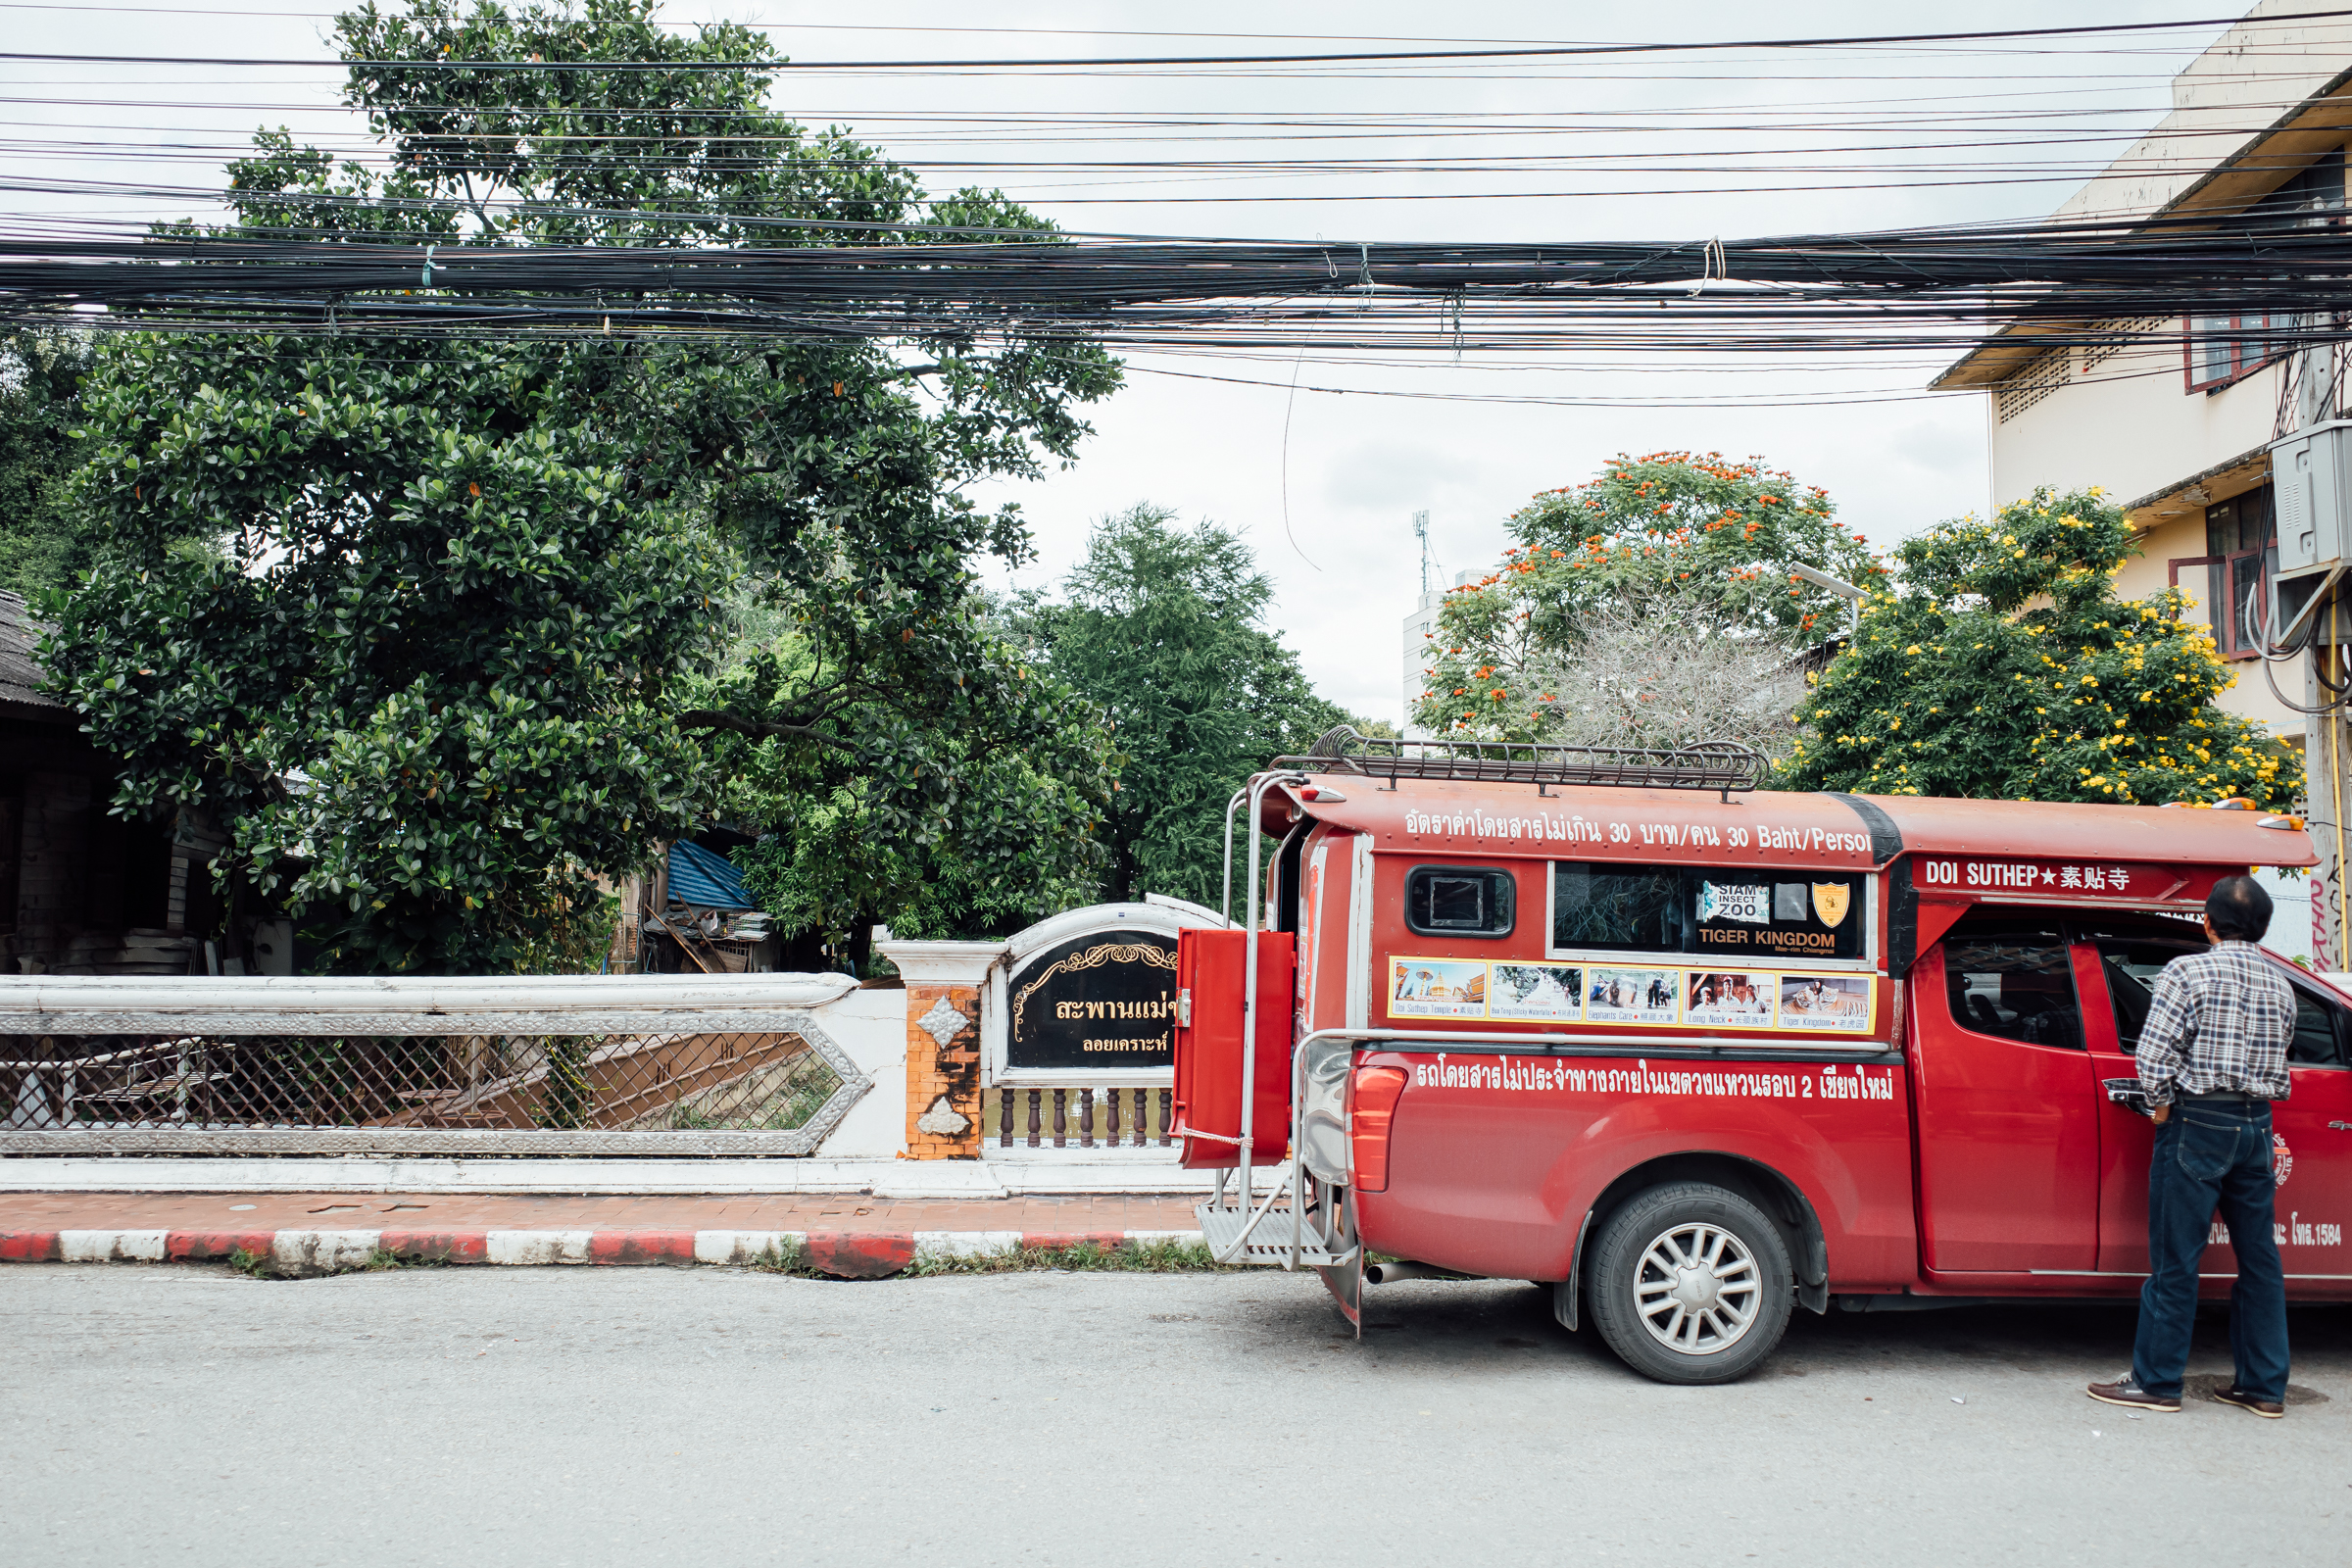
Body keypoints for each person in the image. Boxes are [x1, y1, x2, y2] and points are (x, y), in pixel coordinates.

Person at [2087, 874, 2294, 1418]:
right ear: (2264, 927)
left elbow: (2154, 1054)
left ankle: (2157, 1382)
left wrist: (2159, 1105)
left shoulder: (2186, 971)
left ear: (2207, 922)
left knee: (2177, 1259)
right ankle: (2264, 1388)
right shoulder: (2281, 984)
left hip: (2197, 1121)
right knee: (2260, 1258)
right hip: (2256, 1124)